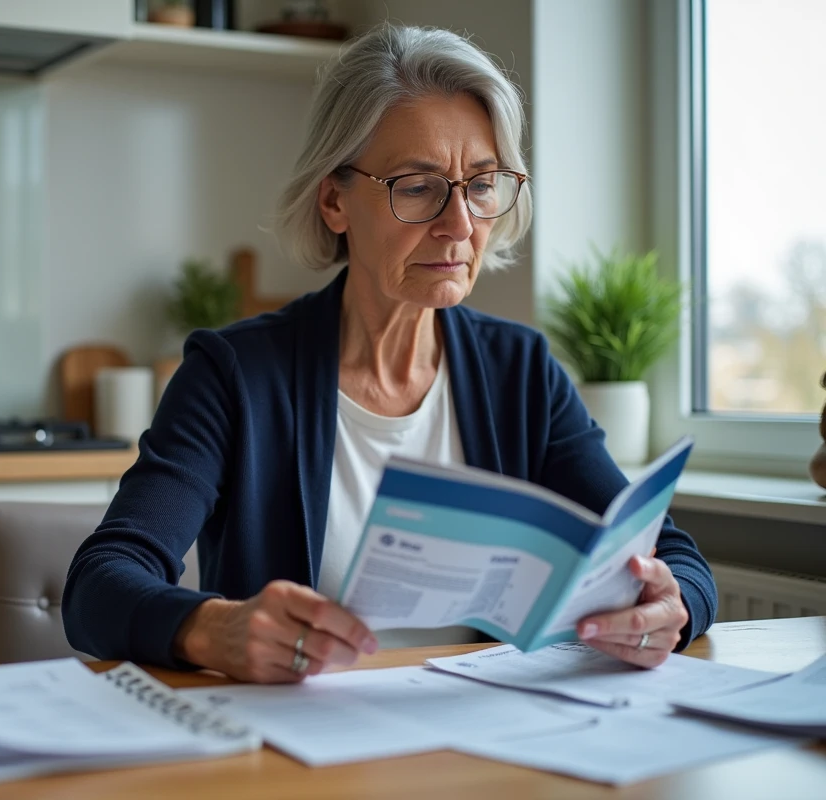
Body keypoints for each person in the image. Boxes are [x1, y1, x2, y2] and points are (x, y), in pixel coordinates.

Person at [62, 22, 716, 683]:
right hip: (299, 757)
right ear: (334, 200)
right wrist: (209, 627)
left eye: (482, 184)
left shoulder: (521, 373)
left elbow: (673, 557)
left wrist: (674, 606)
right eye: (417, 185)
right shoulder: (235, 375)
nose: (460, 225)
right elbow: (99, 584)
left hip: (486, 745)